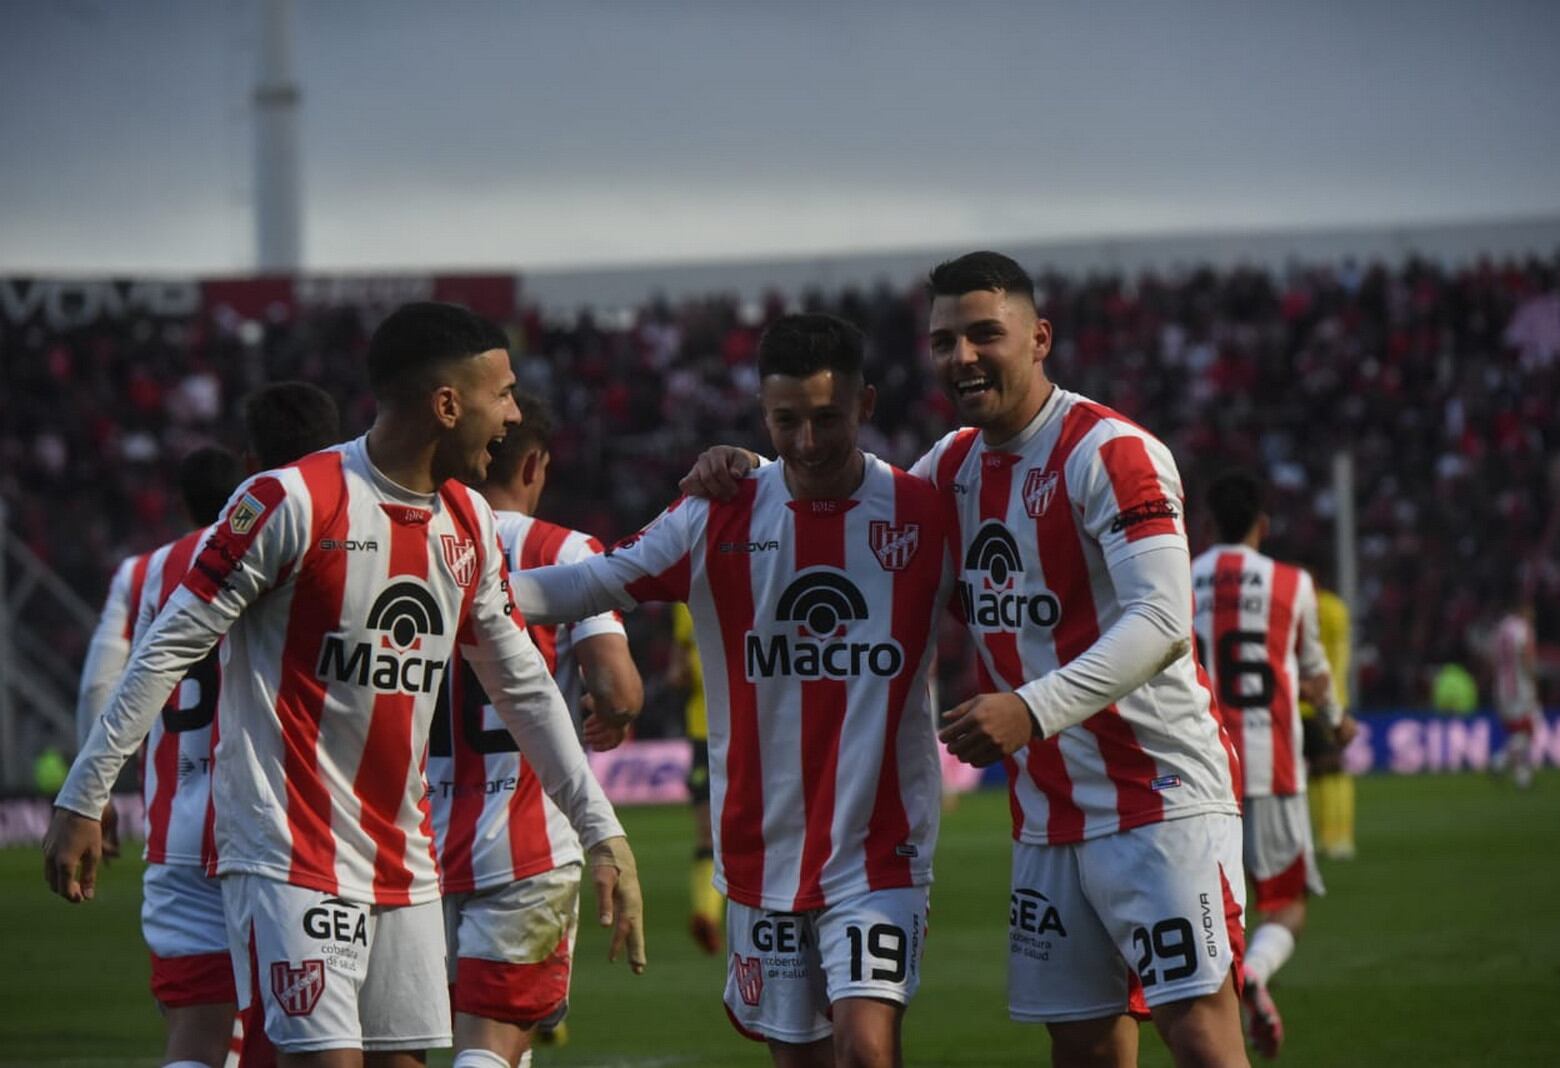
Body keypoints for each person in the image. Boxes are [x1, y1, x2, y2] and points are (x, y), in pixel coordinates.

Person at [45, 302, 645, 1068]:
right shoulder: (289, 501)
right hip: (289, 851)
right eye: (504, 394)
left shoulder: (465, 524)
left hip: (404, 859)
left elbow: (524, 686)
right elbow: (163, 649)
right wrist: (84, 795)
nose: (515, 414)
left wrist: (603, 832)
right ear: (447, 403)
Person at [687, 253, 1250, 1068]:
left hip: (1156, 799)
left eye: (986, 334)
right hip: (1047, 818)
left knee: (1198, 1033)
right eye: (945, 340)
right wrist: (746, 472)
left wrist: (1032, 709)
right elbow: (847, 518)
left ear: (1039, 337)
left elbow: (1162, 619)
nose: (963, 357)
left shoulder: (1112, 452)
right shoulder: (946, 470)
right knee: (1087, 1048)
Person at [512, 313, 956, 1068]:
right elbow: (590, 582)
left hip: (883, 847)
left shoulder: (927, 514)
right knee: (801, 1059)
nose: (808, 443)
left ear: (867, 405)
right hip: (762, 847)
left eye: (828, 419)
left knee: (867, 1051)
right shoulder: (716, 512)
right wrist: (452, 588)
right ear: (761, 413)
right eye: (786, 422)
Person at [73, 382, 344, 1068]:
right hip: (284, 829)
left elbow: (100, 685)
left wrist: (91, 791)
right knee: (298, 1034)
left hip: (178, 830)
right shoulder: (325, 546)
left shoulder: (143, 572)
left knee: (194, 1038)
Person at [429, 390, 644, 1068]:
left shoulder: (417, 537)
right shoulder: (564, 547)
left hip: (416, 836)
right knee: (492, 1046)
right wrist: (612, 710)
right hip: (526, 838)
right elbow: (615, 686)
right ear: (533, 467)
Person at [1191, 471, 1355, 1059]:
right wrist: (1335, 720)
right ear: (1262, 525)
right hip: (1275, 765)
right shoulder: (1293, 585)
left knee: (1212, 910)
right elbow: (1314, 673)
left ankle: (1224, 1006)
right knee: (1283, 905)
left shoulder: (1181, 581)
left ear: (1207, 526)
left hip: (1204, 770)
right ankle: (1256, 973)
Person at [666, 599, 725, 954]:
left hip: (748, 731)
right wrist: (683, 672)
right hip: (703, 729)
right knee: (707, 829)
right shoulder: (683, 605)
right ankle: (706, 915)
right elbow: (677, 670)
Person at [1301, 568, 1357, 859]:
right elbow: (1339, 656)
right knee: (1327, 770)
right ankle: (1334, 837)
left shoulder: (1307, 608)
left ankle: (1334, 837)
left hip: (1310, 701)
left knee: (1327, 769)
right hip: (1325, 700)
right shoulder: (1335, 608)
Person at [1492, 598, 1542, 789]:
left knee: (1517, 731)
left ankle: (1522, 775)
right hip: (1520, 686)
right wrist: (1533, 679)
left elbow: (1493, 657)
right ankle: (1500, 760)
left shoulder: (1501, 627)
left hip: (1501, 686)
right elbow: (1526, 655)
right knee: (1529, 727)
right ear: (1522, 609)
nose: (1533, 614)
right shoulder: (1523, 628)